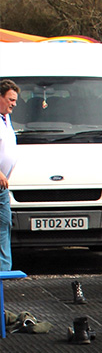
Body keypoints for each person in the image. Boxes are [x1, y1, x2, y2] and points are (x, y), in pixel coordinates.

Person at [0, 79, 20, 271]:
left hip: (2, 186)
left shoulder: (6, 119)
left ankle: (4, 270)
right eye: (10, 99)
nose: (14, 103)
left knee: (5, 223)